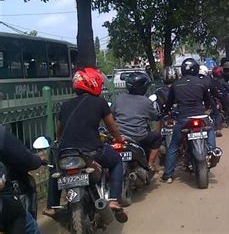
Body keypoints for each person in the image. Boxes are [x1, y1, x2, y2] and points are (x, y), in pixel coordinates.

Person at [44, 68, 127, 222]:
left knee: (54, 171)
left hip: (66, 153)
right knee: (116, 161)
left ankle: (51, 206)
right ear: (93, 83)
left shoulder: (65, 105)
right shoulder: (100, 102)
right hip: (92, 152)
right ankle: (114, 199)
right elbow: (112, 127)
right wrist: (119, 139)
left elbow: (59, 132)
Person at [160, 58, 215, 183]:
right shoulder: (202, 83)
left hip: (183, 118)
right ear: (196, 69)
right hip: (200, 116)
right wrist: (206, 110)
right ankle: (212, 150)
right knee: (210, 128)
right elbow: (207, 102)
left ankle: (168, 174)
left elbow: (169, 104)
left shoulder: (176, 84)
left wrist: (165, 113)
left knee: (174, 145)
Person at [111, 72, 161, 171]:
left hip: (120, 135)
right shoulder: (146, 101)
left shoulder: (119, 98)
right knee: (157, 138)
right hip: (139, 136)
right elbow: (155, 117)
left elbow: (111, 114)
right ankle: (150, 164)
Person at [0, 125, 43, 234]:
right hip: (6, 206)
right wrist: (37, 160)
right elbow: (24, 158)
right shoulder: (1, 134)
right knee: (29, 227)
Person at [198, 65, 224, 137]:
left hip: (197, 103)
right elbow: (214, 92)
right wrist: (221, 98)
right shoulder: (209, 80)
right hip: (209, 101)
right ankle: (218, 129)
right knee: (216, 114)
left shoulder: (194, 80)